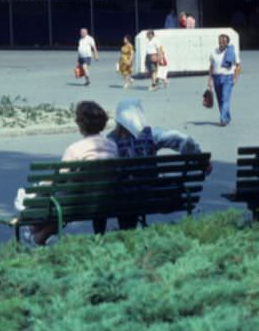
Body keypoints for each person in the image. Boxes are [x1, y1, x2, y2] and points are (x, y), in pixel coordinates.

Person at [97, 97, 208, 231]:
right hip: (151, 196)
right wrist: (201, 159)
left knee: (124, 193)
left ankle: (127, 231)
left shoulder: (111, 141)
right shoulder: (152, 135)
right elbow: (184, 140)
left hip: (123, 201)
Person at [15, 101, 117, 245]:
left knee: (52, 199)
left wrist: (38, 189)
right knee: (59, 203)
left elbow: (58, 180)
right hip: (105, 201)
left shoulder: (75, 149)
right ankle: (35, 235)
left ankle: (34, 234)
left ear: (81, 124)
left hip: (75, 204)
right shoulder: (112, 146)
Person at [207, 33, 241, 127]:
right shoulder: (213, 52)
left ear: (227, 43)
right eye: (220, 41)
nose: (221, 43)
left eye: (223, 41)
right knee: (220, 99)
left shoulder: (232, 52)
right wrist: (209, 80)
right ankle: (227, 117)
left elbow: (238, 66)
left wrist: (235, 78)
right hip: (216, 77)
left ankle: (222, 118)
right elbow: (211, 66)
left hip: (228, 77)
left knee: (225, 98)